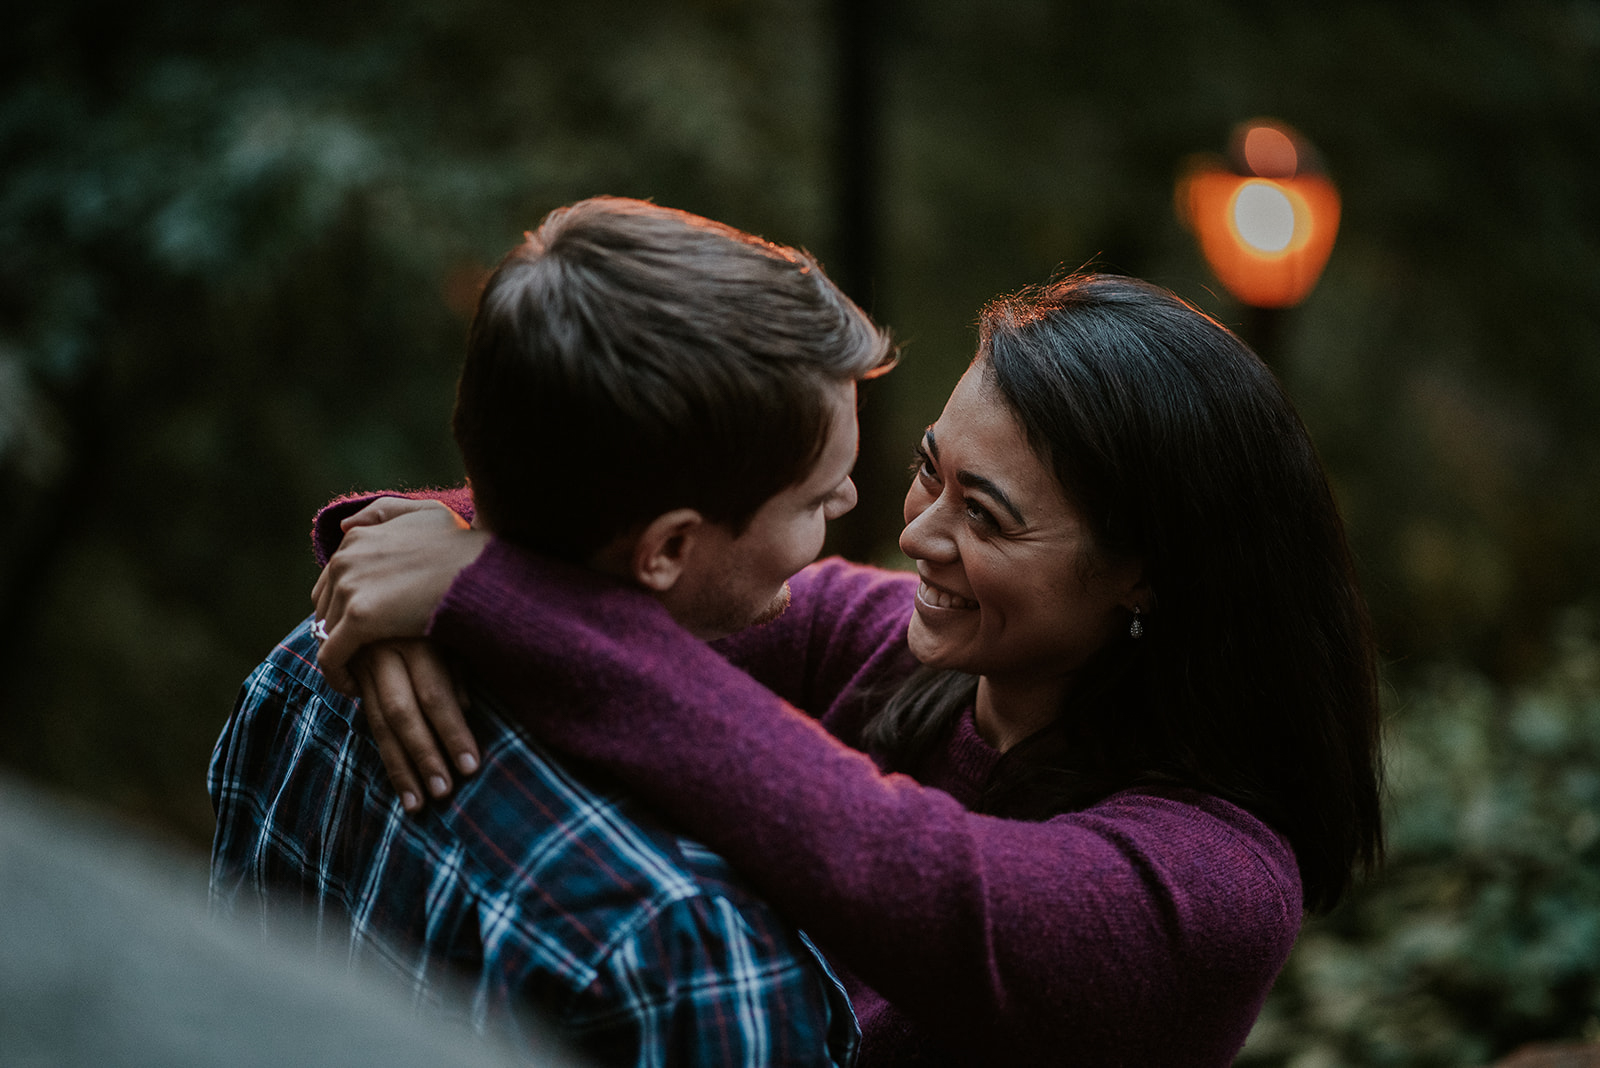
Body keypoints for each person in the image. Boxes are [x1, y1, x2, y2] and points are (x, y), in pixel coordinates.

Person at [310, 273, 1385, 1067]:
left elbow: (916, 872)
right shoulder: (870, 641)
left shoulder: (1212, 887)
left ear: (1142, 577)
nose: (916, 535)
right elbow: (633, 566)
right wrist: (425, 538)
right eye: (931, 472)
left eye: (987, 517)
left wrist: (483, 591)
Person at [210, 196, 895, 1067]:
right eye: (814, 499)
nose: (850, 502)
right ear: (669, 547)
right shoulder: (689, 945)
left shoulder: (308, 669)